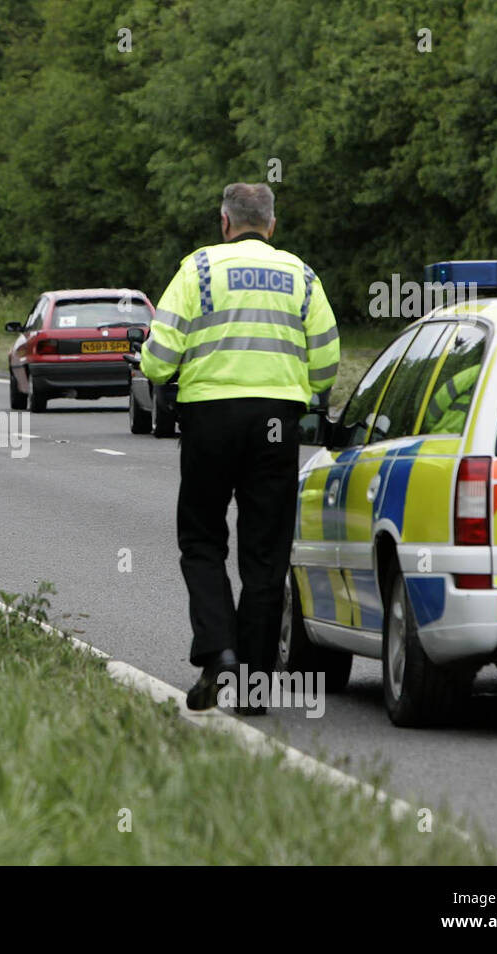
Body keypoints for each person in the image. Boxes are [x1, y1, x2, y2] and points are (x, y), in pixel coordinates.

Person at [140, 182, 340, 715]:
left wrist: (159, 367)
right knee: (265, 555)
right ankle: (253, 688)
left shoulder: (197, 269)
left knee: (203, 539)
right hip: (277, 423)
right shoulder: (301, 275)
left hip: (209, 420)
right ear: (271, 226)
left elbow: (160, 358)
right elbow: (326, 362)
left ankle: (218, 649)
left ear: (224, 222)